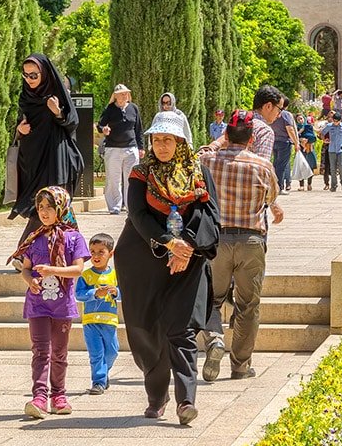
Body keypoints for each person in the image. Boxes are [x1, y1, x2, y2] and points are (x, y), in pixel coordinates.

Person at [119, 111, 221, 423]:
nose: (162, 145)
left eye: (169, 139)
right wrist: (168, 242)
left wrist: (186, 245)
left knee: (181, 329)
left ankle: (186, 400)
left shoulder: (199, 173)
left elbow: (210, 216)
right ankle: (157, 394)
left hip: (188, 260)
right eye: (157, 139)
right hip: (144, 259)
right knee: (147, 330)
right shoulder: (141, 173)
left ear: (180, 142)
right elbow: (138, 215)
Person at [197, 110, 282, 382]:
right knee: (248, 305)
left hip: (217, 240)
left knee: (211, 299)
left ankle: (214, 340)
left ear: (226, 134)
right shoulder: (262, 166)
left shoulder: (207, 160)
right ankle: (241, 366)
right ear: (252, 137)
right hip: (251, 241)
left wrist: (217, 143)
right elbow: (271, 196)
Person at [10, 185, 90, 419]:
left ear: (61, 208)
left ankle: (59, 395)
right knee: (40, 351)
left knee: (60, 352)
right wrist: (29, 280)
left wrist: (51, 269)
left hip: (62, 306)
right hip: (37, 305)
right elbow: (25, 269)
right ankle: (39, 397)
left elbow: (77, 269)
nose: (44, 212)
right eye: (40, 207)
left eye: (50, 207)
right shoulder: (33, 238)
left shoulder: (73, 237)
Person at [10, 54, 83, 245]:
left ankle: (23, 251)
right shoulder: (26, 97)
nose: (29, 80)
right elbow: (19, 123)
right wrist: (19, 130)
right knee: (58, 206)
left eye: (33, 75)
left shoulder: (56, 94)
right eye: (25, 75)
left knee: (48, 202)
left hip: (55, 158)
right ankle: (73, 247)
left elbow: (73, 123)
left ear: (44, 74)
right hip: (32, 160)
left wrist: (58, 112)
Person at [75, 232, 120, 395]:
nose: (96, 256)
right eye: (93, 252)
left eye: (101, 252)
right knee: (96, 353)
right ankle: (98, 382)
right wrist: (94, 293)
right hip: (90, 322)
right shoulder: (86, 276)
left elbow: (125, 294)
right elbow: (79, 294)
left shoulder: (116, 274)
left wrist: (116, 292)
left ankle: (104, 372)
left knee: (113, 351)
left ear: (110, 254)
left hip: (110, 322)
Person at [98, 85, 142, 216]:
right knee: (113, 179)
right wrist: (103, 129)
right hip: (113, 148)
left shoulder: (133, 108)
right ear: (115, 96)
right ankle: (114, 207)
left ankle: (131, 206)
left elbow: (138, 128)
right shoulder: (110, 109)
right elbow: (100, 124)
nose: (124, 96)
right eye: (121, 94)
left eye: (126, 93)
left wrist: (141, 147)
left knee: (131, 179)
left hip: (131, 148)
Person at [271, 96, 299, 195]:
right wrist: (296, 142)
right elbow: (290, 129)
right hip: (284, 142)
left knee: (275, 164)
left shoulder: (273, 114)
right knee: (281, 165)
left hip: (275, 141)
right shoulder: (285, 114)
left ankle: (274, 185)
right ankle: (279, 187)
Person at [322, 112, 342, 191]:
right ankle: (334, 185)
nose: (335, 123)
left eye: (337, 121)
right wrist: (324, 140)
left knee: (341, 166)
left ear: (340, 120)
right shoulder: (329, 126)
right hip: (332, 149)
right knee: (332, 168)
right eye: (334, 121)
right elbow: (322, 133)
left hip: (340, 149)